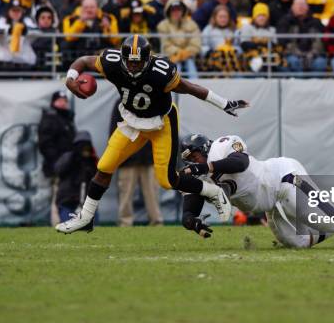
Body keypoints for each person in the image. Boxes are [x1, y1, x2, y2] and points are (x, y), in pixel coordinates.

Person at [55, 34, 250, 233]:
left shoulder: (161, 72)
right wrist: (70, 78)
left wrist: (225, 103)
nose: (132, 67)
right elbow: (83, 61)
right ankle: (85, 218)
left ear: (147, 60)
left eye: (137, 63)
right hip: (131, 122)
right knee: (104, 166)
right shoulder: (110, 62)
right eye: (129, 63)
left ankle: (213, 191)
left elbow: (190, 88)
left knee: (167, 180)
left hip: (161, 123)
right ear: (122, 59)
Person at [178, 133, 334, 247]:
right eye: (191, 160)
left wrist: (206, 166)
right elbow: (190, 207)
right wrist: (192, 222)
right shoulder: (201, 177)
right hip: (270, 203)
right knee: (299, 243)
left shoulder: (221, 148)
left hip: (284, 179)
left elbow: (239, 163)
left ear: (205, 148)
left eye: (196, 155)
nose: (194, 162)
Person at [110, 104, 162, 227]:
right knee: (126, 193)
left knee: (152, 192)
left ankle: (156, 221)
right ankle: (125, 222)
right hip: (128, 158)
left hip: (148, 156)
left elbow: (159, 128)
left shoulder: (151, 100)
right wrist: (117, 155)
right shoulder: (121, 103)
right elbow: (114, 130)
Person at [38, 91, 77, 226]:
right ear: (53, 103)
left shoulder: (66, 118)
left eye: (64, 100)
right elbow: (45, 144)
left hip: (69, 166)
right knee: (58, 195)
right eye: (59, 100)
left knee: (66, 194)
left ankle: (68, 221)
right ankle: (57, 222)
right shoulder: (50, 118)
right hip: (58, 166)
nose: (63, 103)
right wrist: (57, 163)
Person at [276, 0, 326, 74]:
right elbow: (282, 41)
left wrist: (312, 53)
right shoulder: (285, 22)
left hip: (314, 55)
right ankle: (298, 85)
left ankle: (315, 85)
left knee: (320, 63)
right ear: (292, 7)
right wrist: (297, 53)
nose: (300, 7)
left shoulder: (316, 22)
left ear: (307, 7)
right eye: (298, 5)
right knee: (294, 62)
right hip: (292, 54)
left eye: (303, 4)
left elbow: (322, 41)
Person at [157, 0, 201, 79]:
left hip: (189, 56)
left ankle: (195, 85)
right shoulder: (163, 25)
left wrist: (186, 53)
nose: (176, 12)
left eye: (178, 9)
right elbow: (165, 45)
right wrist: (179, 52)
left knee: (189, 62)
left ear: (183, 10)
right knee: (176, 64)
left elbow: (196, 43)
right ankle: (174, 88)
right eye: (173, 9)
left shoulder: (192, 24)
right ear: (169, 11)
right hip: (171, 57)